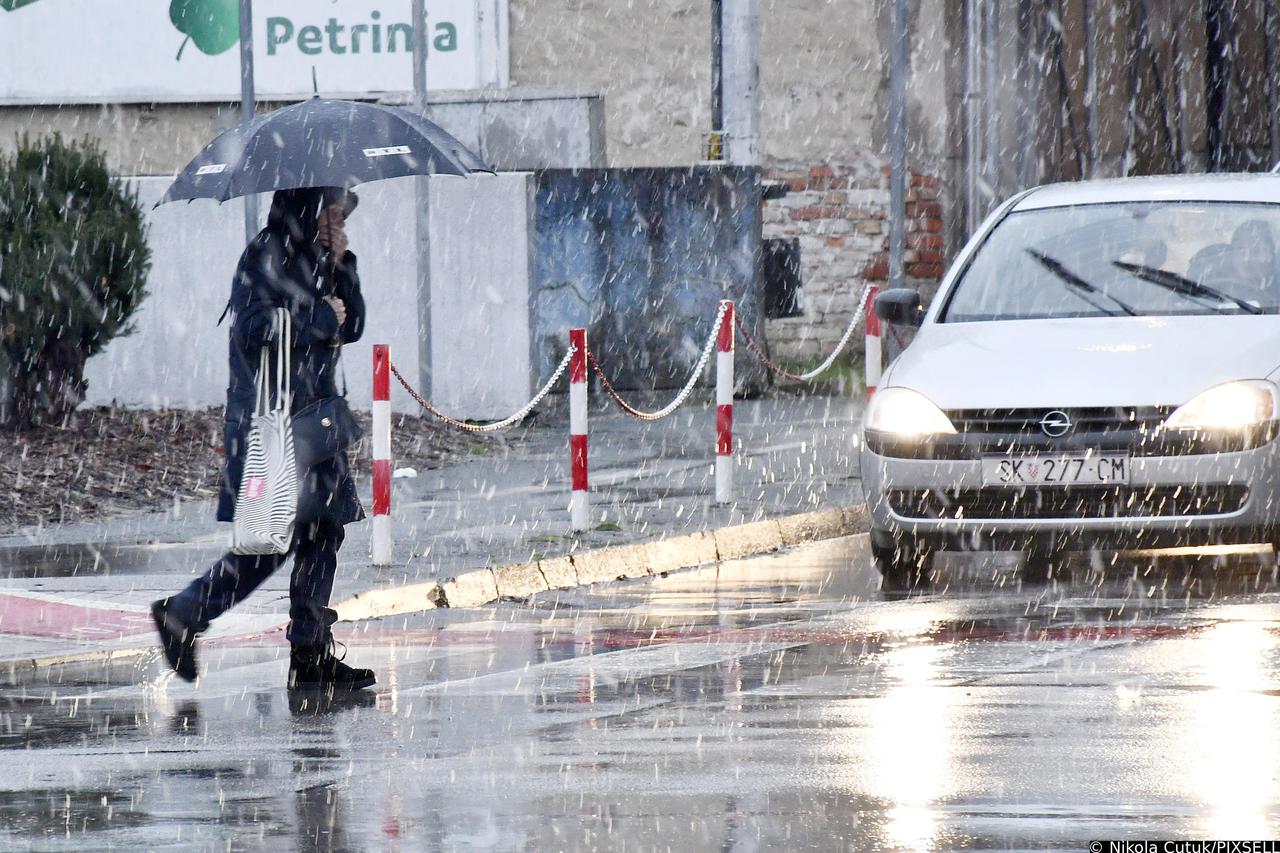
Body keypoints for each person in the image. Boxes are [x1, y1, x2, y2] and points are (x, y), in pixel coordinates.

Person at [151, 186, 375, 691]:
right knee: (270, 541)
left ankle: (310, 654)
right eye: (331, 210)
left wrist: (341, 266)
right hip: (273, 423)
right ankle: (185, 614)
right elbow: (254, 326)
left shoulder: (325, 259)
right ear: (307, 206)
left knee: (324, 532)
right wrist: (319, 315)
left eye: (343, 213)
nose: (337, 220)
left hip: (315, 420)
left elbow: (353, 323)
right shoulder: (267, 253)